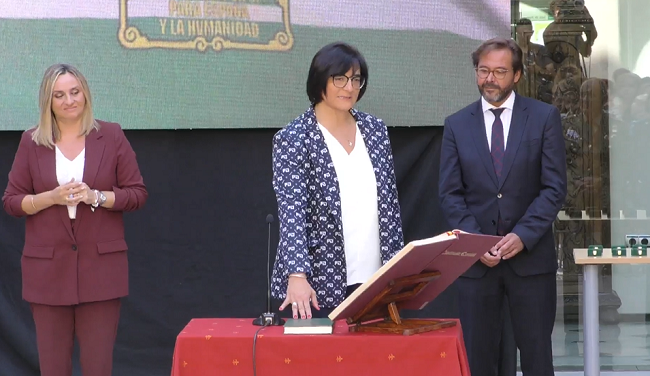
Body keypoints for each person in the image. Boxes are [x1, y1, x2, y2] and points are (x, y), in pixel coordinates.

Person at [2, 63, 147, 376]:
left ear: (85, 93)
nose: (69, 100)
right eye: (59, 95)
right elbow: (12, 202)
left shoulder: (111, 135)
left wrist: (95, 196)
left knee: (98, 367)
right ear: (48, 102)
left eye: (74, 92)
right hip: (46, 274)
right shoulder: (31, 141)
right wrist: (50, 198)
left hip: (101, 271)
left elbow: (136, 194)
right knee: (53, 368)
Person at [438, 38, 567, 376]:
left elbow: (554, 188)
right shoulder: (456, 124)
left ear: (518, 75)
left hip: (530, 262)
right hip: (476, 267)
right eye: (483, 71)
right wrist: (476, 243)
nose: (490, 79)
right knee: (478, 360)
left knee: (538, 358)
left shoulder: (543, 118)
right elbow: (450, 194)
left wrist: (523, 235)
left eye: (499, 71)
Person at [270, 42, 404, 319]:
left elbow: (390, 207)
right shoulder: (294, 138)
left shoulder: (375, 130)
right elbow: (292, 211)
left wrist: (398, 270)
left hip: (377, 280)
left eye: (356, 79)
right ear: (320, 81)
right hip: (318, 283)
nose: (350, 87)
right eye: (340, 78)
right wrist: (297, 275)